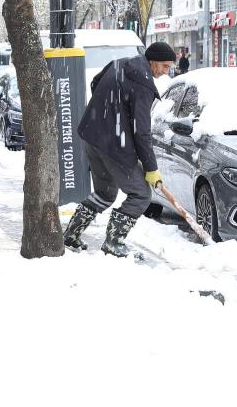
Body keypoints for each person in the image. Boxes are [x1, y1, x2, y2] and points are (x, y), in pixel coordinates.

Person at [63, 41, 176, 257]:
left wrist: (109, 112)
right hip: (115, 144)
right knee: (141, 194)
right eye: (164, 66)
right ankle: (113, 243)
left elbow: (95, 84)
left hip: (93, 135)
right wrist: (151, 168)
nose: (165, 72)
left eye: (168, 67)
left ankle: (71, 235)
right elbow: (141, 132)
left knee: (105, 193)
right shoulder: (143, 84)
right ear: (152, 61)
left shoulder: (118, 64)